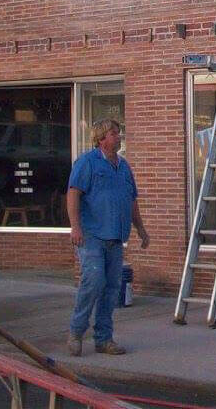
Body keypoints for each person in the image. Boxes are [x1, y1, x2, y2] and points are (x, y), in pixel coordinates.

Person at [66, 118, 149, 356]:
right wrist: (75, 227)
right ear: (102, 138)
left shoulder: (123, 166)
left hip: (115, 237)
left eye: (118, 132)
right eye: (114, 133)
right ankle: (76, 331)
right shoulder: (87, 162)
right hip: (91, 235)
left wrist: (141, 229)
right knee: (93, 281)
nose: (118, 136)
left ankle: (104, 338)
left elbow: (131, 200)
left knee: (111, 289)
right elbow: (73, 194)